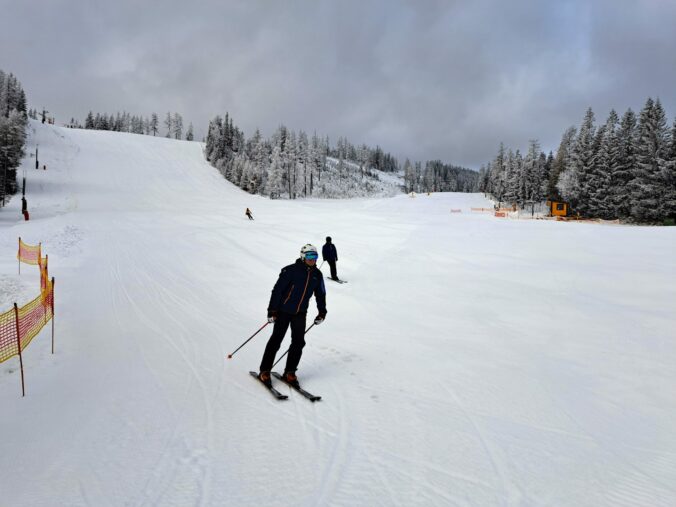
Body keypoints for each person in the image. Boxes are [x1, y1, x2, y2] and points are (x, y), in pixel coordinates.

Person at [258, 244, 327, 387]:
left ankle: (290, 372)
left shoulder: (317, 275)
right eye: (309, 256)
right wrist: (272, 310)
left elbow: (321, 294)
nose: (312, 259)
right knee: (276, 340)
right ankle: (264, 370)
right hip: (283, 312)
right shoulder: (290, 270)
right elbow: (277, 290)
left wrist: (322, 312)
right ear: (303, 256)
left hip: (300, 313)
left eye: (315, 257)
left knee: (298, 342)